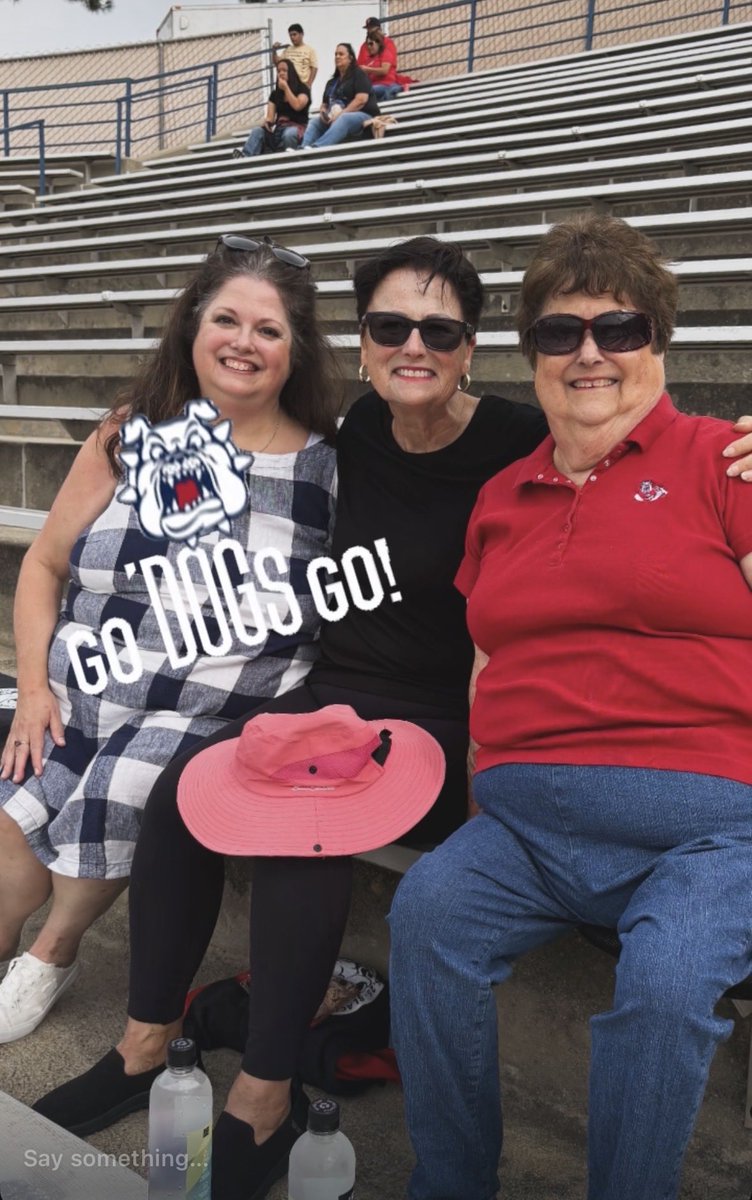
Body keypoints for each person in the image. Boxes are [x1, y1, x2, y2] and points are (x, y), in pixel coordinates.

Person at [30, 234, 752, 1199]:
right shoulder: (393, 450)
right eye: (390, 326)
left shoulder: (578, 450)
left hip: (559, 763)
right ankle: (144, 1045)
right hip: (389, 728)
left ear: (472, 349)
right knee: (192, 789)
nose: (415, 344)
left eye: (441, 330)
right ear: (364, 343)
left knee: (308, 832)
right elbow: (239, 447)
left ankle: (266, 1098)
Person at [388, 213, 752, 1200]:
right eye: (558, 333)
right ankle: (450, 1183)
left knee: (669, 983)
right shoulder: (502, 495)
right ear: (534, 356)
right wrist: (477, 793)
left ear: (657, 343)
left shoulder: (724, 463)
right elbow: (484, 657)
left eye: (618, 329)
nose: (588, 353)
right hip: (524, 826)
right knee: (425, 913)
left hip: (709, 825)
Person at [0, 234, 339, 1044]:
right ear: (193, 329)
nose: (243, 343)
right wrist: (37, 689)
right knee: (16, 810)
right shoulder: (128, 438)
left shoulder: (330, 468)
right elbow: (45, 567)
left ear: (296, 354)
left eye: (268, 330)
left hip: (211, 704)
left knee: (130, 778)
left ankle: (55, 949)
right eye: (226, 319)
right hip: (87, 679)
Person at [301, 43, 379, 150]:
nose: (337, 57)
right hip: (335, 117)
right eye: (336, 54)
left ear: (350, 58)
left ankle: (317, 147)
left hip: (363, 115)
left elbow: (361, 100)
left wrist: (340, 114)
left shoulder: (359, 74)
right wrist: (324, 113)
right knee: (315, 122)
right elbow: (324, 104)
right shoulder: (331, 82)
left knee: (344, 118)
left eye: (341, 54)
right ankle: (303, 148)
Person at [234, 59, 310, 158]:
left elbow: (298, 106)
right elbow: (270, 117)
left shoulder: (302, 89)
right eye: (279, 71)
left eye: (284, 70)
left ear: (291, 72)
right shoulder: (275, 94)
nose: (281, 73)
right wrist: (267, 122)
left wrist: (286, 88)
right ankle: (245, 157)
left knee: (289, 134)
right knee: (257, 131)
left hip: (297, 129)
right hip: (279, 130)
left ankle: (291, 160)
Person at [359, 29, 407, 102]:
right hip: (374, 86)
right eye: (367, 44)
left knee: (366, 93)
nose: (369, 47)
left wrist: (367, 69)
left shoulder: (385, 53)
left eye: (371, 44)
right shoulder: (368, 60)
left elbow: (384, 70)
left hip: (385, 85)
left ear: (378, 43)